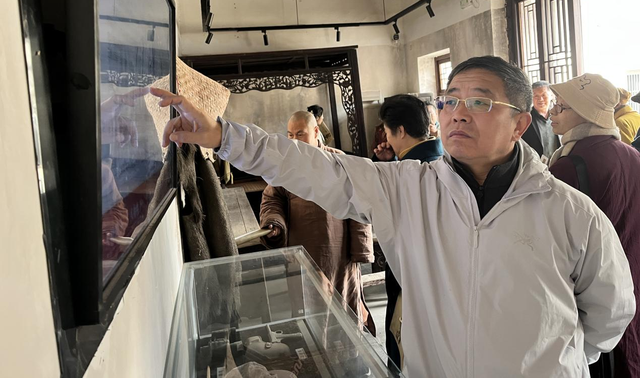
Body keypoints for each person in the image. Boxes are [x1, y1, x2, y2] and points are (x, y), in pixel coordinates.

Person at [151, 56, 635, 378]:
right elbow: (316, 167)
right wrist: (224, 137)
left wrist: (553, 361)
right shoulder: (408, 190)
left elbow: (609, 314)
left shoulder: (571, 213)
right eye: (450, 100)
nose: (458, 113)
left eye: (480, 102)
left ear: (521, 123)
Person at [547, 74, 640, 378]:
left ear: (586, 112)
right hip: (632, 275)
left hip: (592, 290)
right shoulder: (631, 154)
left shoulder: (569, 165)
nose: (552, 112)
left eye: (562, 106)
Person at [261, 111, 375, 330]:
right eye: (290, 135)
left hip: (339, 250)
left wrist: (360, 248)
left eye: (300, 134)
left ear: (315, 132)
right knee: (309, 310)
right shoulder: (286, 166)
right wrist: (274, 223)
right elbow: (272, 199)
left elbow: (361, 200)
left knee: (345, 306)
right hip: (303, 250)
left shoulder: (338, 161)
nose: (294, 140)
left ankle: (348, 350)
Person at [371, 94, 444, 369]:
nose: (387, 140)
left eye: (388, 132)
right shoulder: (442, 160)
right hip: (440, 277)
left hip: (412, 275)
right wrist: (389, 162)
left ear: (400, 131)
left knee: (407, 350)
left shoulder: (410, 172)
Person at [521, 80, 560, 162]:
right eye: (536, 96)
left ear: (551, 96)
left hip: (557, 162)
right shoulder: (525, 118)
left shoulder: (558, 115)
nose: (540, 99)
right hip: (534, 164)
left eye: (544, 95)